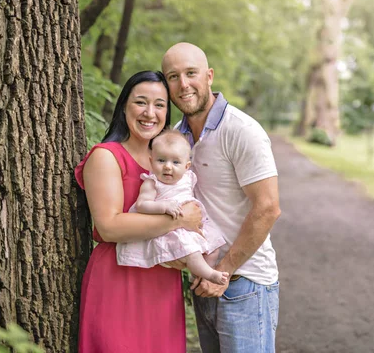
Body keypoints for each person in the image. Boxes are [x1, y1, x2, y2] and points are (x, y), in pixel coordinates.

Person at [162, 42, 282, 353]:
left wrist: (223, 272)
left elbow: (268, 208)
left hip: (244, 283)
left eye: (191, 73)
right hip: (205, 284)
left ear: (210, 76)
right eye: (173, 76)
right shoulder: (177, 137)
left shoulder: (241, 130)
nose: (183, 84)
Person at [74, 70, 203, 353]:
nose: (150, 113)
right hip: (119, 278)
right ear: (124, 106)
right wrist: (179, 220)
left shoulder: (171, 162)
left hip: (161, 281)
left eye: (159, 105)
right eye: (140, 102)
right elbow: (110, 226)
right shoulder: (106, 156)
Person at [116, 129, 229, 285]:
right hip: (171, 231)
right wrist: (163, 206)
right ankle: (209, 274)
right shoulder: (152, 182)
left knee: (215, 244)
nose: (168, 167)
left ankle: (201, 275)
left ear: (186, 166)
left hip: (193, 226)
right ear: (151, 161)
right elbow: (142, 205)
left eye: (175, 162)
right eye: (161, 160)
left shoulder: (187, 178)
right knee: (192, 251)